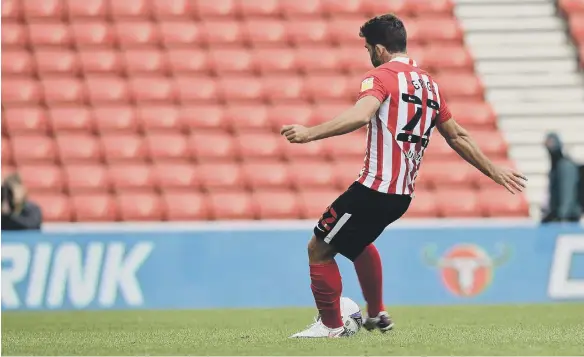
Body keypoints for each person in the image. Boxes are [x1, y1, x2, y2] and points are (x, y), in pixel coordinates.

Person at [281, 14, 527, 338]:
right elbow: (457, 136)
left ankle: (330, 327)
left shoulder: (379, 77)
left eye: (368, 47)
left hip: (374, 188)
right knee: (356, 241)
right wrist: (493, 170)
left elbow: (362, 114)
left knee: (319, 247)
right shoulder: (430, 84)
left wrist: (309, 133)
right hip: (401, 196)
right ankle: (376, 312)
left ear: (380, 50)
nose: (368, 53)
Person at [541, 132, 581, 223]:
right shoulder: (555, 168)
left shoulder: (565, 166)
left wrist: (563, 217)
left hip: (567, 219)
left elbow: (568, 193)